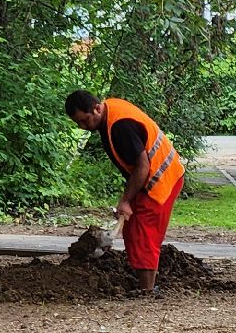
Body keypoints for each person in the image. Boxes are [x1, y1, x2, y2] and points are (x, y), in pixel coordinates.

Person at [65, 90, 185, 294]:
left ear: (96, 108)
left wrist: (126, 200)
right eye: (78, 123)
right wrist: (128, 201)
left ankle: (147, 291)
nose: (83, 127)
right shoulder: (110, 111)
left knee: (143, 233)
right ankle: (146, 285)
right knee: (133, 230)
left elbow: (142, 167)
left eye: (85, 121)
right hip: (155, 178)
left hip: (160, 181)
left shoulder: (120, 126)